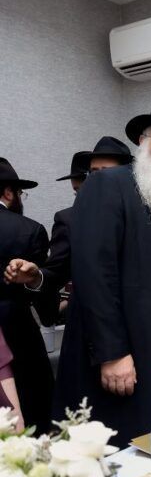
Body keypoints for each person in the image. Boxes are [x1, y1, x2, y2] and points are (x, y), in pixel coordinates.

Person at [53, 101, 151, 446]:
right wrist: (112, 353)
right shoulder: (109, 184)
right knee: (122, 453)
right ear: (143, 143)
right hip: (125, 356)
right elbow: (94, 274)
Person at [5, 138, 133, 325]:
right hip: (92, 325)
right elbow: (56, 273)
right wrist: (35, 277)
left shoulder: (148, 216)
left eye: (107, 173)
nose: (99, 180)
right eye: (94, 173)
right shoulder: (70, 220)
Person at [0, 157, 53, 433]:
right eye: (20, 193)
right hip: (18, 336)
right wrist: (52, 314)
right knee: (33, 415)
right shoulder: (29, 229)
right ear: (9, 193)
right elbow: (43, 295)